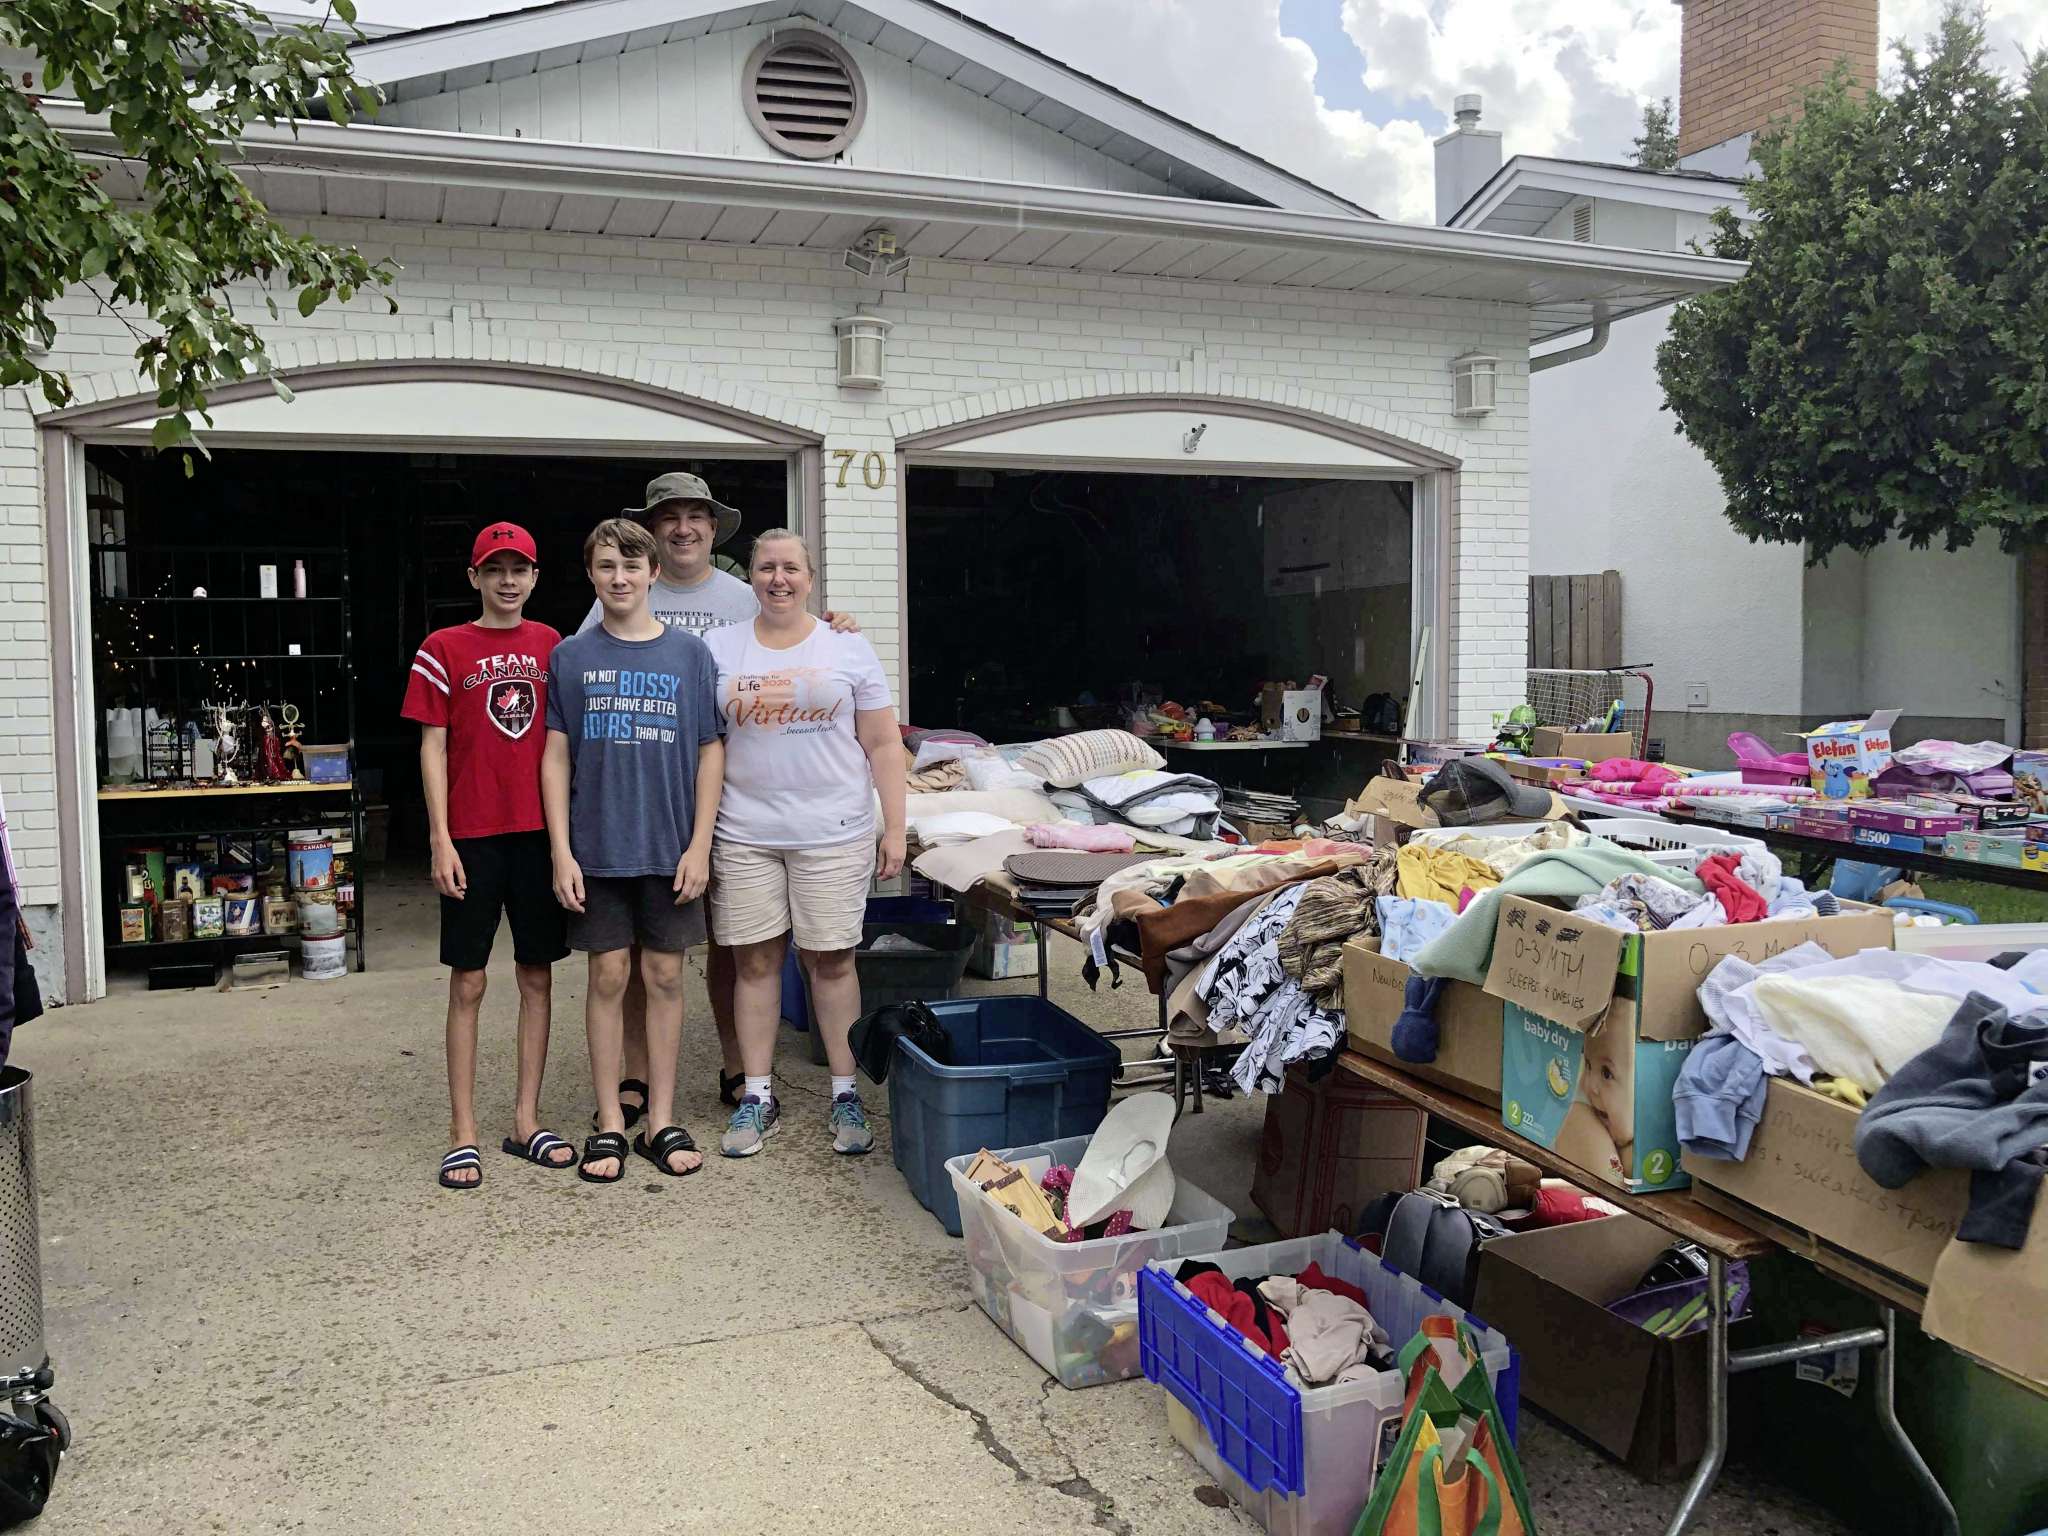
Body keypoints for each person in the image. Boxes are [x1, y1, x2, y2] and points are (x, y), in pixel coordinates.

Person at [580, 473, 858, 1123]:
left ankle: (740, 1068)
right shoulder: (612, 599)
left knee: (732, 945)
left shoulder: (742, 597)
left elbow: (804, 640)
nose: (682, 528)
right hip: (644, 800)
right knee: (646, 950)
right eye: (668, 517)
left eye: (695, 517)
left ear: (712, 528)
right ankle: (637, 1076)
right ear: (650, 531)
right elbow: (584, 673)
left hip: (723, 801)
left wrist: (840, 623)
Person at [702, 529, 906, 1158]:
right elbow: (704, 745)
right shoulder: (717, 647)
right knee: (755, 963)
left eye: (791, 568)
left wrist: (894, 826)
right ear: (751, 578)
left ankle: (846, 1092)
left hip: (834, 831)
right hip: (745, 832)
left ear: (811, 579)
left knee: (831, 961)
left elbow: (882, 742)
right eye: (766, 568)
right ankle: (757, 1096)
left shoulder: (845, 644)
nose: (778, 579)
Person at [544, 516, 724, 1184]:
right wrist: (561, 851)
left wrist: (700, 844)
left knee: (667, 976)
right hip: (598, 847)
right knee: (608, 976)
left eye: (631, 566)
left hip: (670, 846)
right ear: (591, 576)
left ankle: (662, 1119)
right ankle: (610, 1120)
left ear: (653, 574)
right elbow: (555, 756)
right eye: (605, 567)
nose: (619, 578)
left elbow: (711, 750)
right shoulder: (571, 656)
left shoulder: (689, 656)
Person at [400, 522, 572, 1190]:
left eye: (519, 569)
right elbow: (432, 747)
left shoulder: (553, 646)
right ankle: (462, 1131)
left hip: (536, 831)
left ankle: (526, 1120)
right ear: (473, 577)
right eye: (494, 569)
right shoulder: (442, 648)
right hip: (472, 834)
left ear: (534, 576)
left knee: (537, 975)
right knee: (469, 981)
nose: (508, 581)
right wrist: (439, 836)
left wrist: (564, 846)